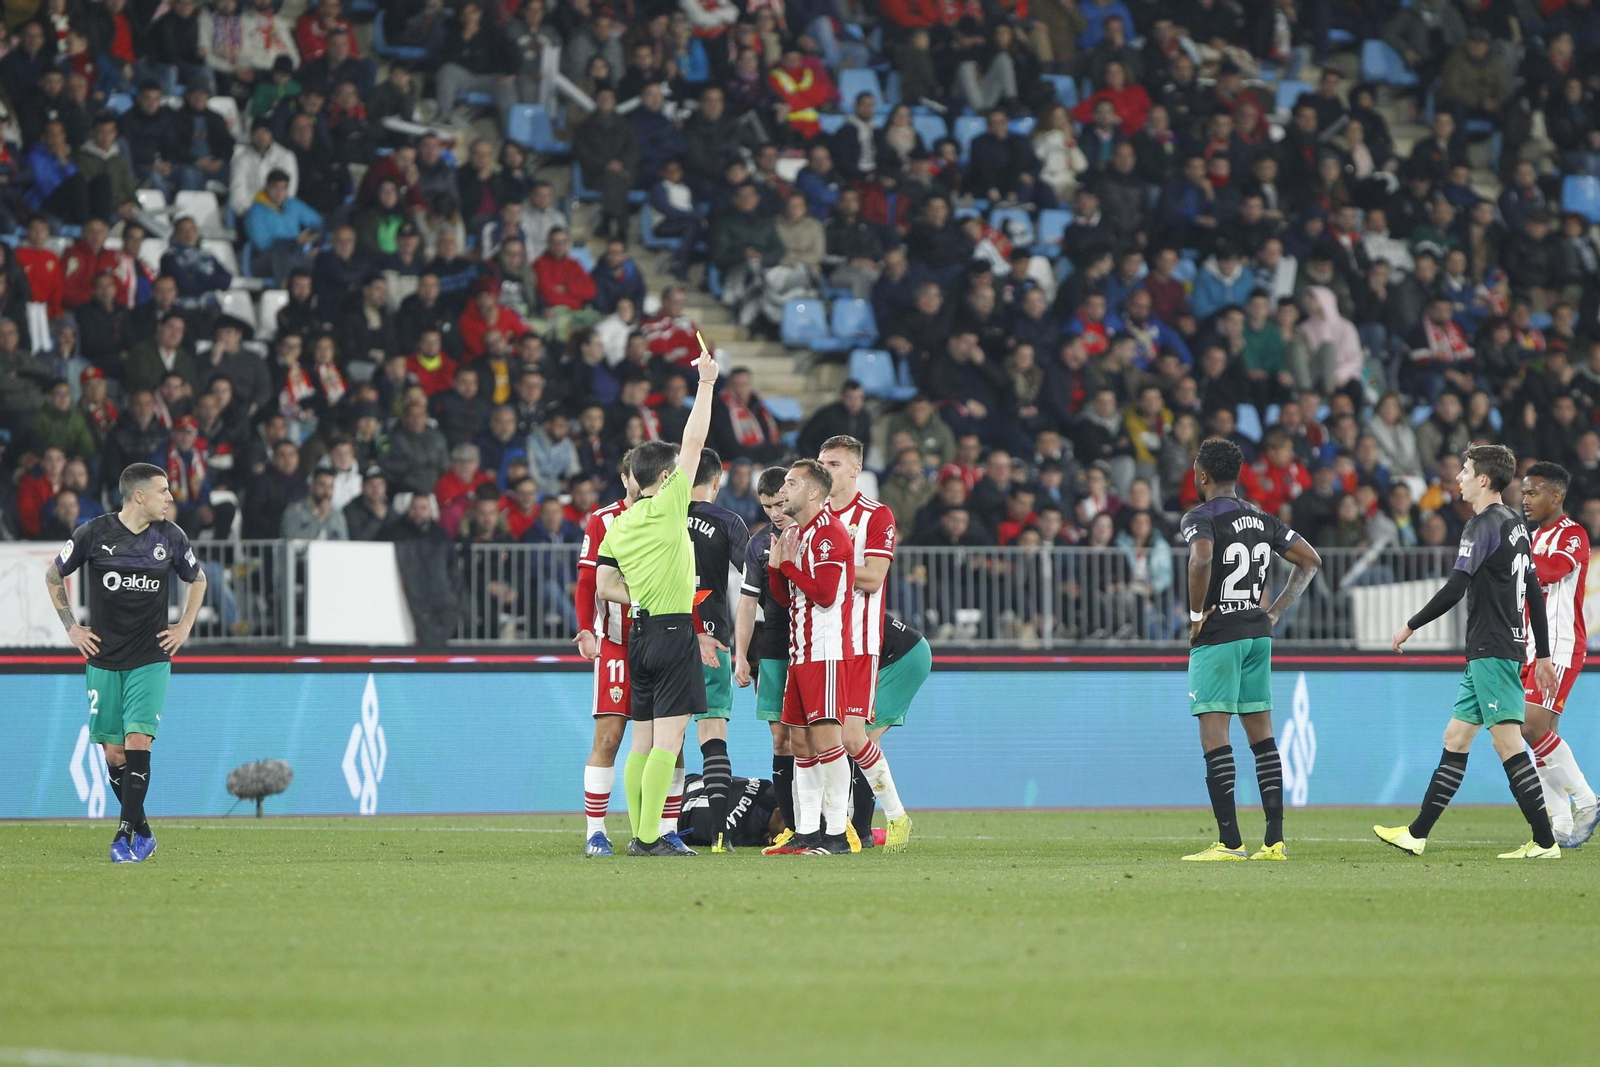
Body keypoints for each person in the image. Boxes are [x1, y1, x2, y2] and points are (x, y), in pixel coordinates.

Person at [1377, 445, 1561, 860]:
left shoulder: (1482, 526)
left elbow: (1456, 587)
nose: (1458, 477)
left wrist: (1410, 625)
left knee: (1508, 745)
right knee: (1456, 738)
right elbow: (1533, 591)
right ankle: (1416, 834)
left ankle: (1545, 842)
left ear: (1483, 479)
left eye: (1465, 470)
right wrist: (1543, 654)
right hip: (1496, 647)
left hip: (1492, 648)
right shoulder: (1515, 524)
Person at [593, 343, 720, 857]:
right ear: (665, 479)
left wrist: (640, 592)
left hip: (639, 634)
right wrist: (706, 383)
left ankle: (638, 834)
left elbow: (604, 585)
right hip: (672, 632)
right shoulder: (670, 506)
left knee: (641, 744)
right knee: (669, 743)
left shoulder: (619, 525)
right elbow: (695, 439)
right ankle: (648, 838)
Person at [44, 462, 207, 863]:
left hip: (150, 658)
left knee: (137, 741)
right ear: (139, 496)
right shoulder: (93, 533)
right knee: (114, 755)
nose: (169, 497)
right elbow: (53, 574)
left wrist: (185, 626)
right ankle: (145, 833)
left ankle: (123, 837)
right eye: (163, 490)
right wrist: (72, 628)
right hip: (103, 658)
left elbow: (198, 579)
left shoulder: (170, 536)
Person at [1180, 438, 1322, 862]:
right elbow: (1310, 560)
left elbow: (1201, 559)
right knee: (1263, 739)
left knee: (1214, 735)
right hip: (1258, 633)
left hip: (1219, 632)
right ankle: (1274, 841)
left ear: (1203, 475)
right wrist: (1274, 613)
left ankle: (1229, 843)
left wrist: (1195, 617)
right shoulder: (1262, 517)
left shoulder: (1200, 517)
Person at [816, 434, 913, 851]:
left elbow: (874, 577)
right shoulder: (814, 516)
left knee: (853, 738)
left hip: (858, 642)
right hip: (817, 644)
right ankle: (832, 827)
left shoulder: (876, 515)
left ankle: (897, 817)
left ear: (856, 469)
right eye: (822, 463)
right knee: (818, 740)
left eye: (834, 464)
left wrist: (828, 564)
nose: (825, 470)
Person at [761, 458, 859, 856]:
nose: (784, 490)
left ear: (814, 492)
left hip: (826, 652)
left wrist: (786, 565)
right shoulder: (795, 534)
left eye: (792, 484)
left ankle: (836, 834)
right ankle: (806, 832)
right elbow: (785, 599)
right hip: (800, 653)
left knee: (827, 741)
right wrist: (775, 569)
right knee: (799, 742)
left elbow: (825, 595)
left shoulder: (829, 534)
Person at [1516, 464, 1598, 846]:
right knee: (1540, 736)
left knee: (1531, 727)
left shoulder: (1573, 534)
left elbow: (1549, 571)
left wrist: (1507, 566)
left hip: (1561, 645)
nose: (1525, 499)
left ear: (1556, 496)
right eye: (1524, 492)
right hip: (1533, 647)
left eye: (1533, 492)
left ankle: (1588, 801)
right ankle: (1562, 823)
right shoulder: (1532, 537)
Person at [574, 451, 639, 856]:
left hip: (662, 643)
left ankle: (660, 831)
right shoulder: (603, 519)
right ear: (624, 477)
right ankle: (595, 832)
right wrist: (585, 628)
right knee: (610, 737)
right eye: (636, 475)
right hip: (616, 643)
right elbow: (587, 581)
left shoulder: (670, 516)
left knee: (668, 742)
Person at [686, 446, 750, 853]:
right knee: (712, 734)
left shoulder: (654, 516)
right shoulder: (728, 521)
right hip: (712, 637)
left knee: (660, 738)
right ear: (717, 480)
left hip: (661, 636)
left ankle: (652, 830)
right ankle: (719, 835)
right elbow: (754, 577)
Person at [734, 466, 798, 843]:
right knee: (781, 739)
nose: (775, 513)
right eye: (767, 506)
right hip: (774, 645)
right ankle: (791, 825)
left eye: (780, 504)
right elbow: (747, 604)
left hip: (814, 646)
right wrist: (742, 655)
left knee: (818, 738)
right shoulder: (758, 545)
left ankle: (831, 820)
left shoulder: (815, 534)